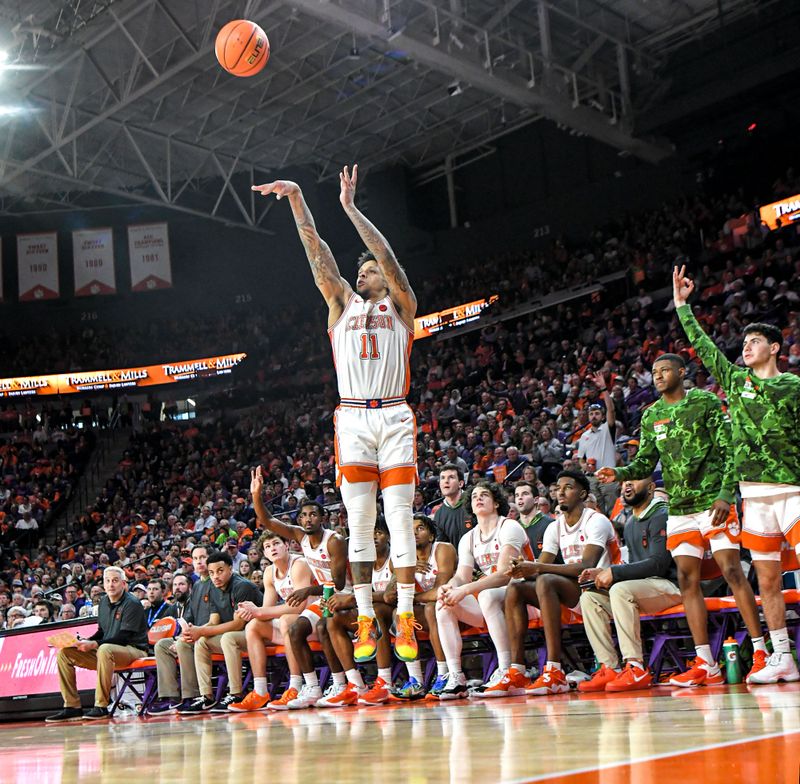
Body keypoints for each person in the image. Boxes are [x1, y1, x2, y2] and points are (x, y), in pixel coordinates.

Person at [253, 163, 420, 666]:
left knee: (402, 522)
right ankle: (369, 615)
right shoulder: (339, 305)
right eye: (361, 269)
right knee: (362, 523)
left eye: (367, 270)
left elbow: (389, 257)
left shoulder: (402, 306)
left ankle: (406, 612)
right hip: (352, 419)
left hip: (393, 417)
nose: (361, 272)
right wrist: (300, 199)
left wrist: (350, 207)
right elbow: (318, 255)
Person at [597, 351, 767, 687]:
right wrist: (618, 472)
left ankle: (761, 651)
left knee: (732, 571)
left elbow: (727, 449)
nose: (658, 375)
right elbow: (644, 463)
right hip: (680, 509)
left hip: (712, 502)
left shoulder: (703, 401)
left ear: (681, 371)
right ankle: (706, 662)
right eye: (654, 371)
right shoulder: (652, 416)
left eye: (664, 370)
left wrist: (724, 494)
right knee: (687, 581)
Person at [673, 264, 799, 685]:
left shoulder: (793, 388)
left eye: (756, 341)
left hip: (793, 490)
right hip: (754, 497)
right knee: (766, 579)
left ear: (776, 348)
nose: (746, 347)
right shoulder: (735, 379)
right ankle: (782, 656)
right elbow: (704, 348)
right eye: (744, 341)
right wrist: (682, 307)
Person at [503, 470, 621, 696]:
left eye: (568, 487)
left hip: (602, 590)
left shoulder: (596, 521)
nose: (561, 492)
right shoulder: (555, 526)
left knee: (546, 580)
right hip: (576, 591)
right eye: (558, 487)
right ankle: (517, 671)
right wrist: (520, 568)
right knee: (516, 587)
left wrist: (536, 567)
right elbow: (542, 565)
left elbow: (586, 565)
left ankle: (554, 670)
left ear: (583, 493)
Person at [250, 468, 350, 709]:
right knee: (295, 630)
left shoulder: (333, 540)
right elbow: (267, 521)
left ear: (322, 518)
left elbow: (338, 585)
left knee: (324, 625)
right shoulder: (299, 536)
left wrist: (308, 592)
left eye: (313, 515)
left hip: (346, 595)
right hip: (324, 597)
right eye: (304, 515)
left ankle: (341, 685)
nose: (308, 519)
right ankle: (312, 686)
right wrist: (256, 495)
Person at [577, 477, 682, 692]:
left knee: (620, 589)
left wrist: (615, 572)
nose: (627, 485)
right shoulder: (632, 521)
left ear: (651, 488)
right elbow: (636, 565)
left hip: (670, 586)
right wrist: (601, 572)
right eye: (625, 481)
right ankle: (610, 667)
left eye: (634, 481)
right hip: (643, 588)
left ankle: (635, 666)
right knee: (589, 598)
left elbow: (658, 564)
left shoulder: (662, 515)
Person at [434, 482, 534, 700]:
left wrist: (465, 589)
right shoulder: (468, 538)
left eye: (485, 495)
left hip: (528, 597)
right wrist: (451, 586)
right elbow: (462, 576)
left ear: (496, 502)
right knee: (443, 604)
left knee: (487, 595)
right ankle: (456, 676)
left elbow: (504, 574)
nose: (478, 498)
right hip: (495, 604)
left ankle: (507, 669)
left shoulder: (509, 527)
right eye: (474, 496)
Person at [46, 566, 148, 722]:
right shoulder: (103, 602)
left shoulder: (132, 603)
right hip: (107, 653)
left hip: (134, 650)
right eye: (107, 581)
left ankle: (101, 705)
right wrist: (85, 641)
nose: (111, 585)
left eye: (115, 581)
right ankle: (72, 706)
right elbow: (102, 632)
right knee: (64, 654)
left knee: (104, 649)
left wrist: (94, 644)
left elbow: (124, 637)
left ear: (123, 583)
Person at [227, 531, 314, 712]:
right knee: (253, 626)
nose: (272, 548)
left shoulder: (299, 564)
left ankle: (295, 687)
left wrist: (259, 611)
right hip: (292, 629)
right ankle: (260, 691)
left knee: (286, 620)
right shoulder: (269, 572)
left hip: (314, 622)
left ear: (286, 545)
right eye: (267, 547)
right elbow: (265, 611)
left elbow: (299, 607)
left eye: (276, 543)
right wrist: (250, 611)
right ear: (264, 554)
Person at [321, 520, 397, 706]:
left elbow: (390, 596)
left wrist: (354, 598)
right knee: (333, 620)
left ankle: (385, 682)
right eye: (370, 533)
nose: (374, 537)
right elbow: (356, 595)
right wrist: (335, 601)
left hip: (399, 615)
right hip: (371, 613)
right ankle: (355, 684)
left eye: (378, 532)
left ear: (388, 536)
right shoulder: (362, 562)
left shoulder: (395, 557)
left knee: (375, 611)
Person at [176, 550, 263, 713]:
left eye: (220, 571)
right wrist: (196, 632)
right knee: (202, 642)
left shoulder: (242, 586)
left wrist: (201, 630)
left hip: (259, 634)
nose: (215, 576)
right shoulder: (214, 588)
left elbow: (238, 625)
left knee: (228, 638)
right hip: (240, 637)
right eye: (211, 572)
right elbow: (214, 619)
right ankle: (206, 697)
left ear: (231, 568)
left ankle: (236, 693)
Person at [148, 547, 212, 716]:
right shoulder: (173, 607)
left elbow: (194, 621)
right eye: (175, 585)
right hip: (189, 636)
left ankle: (191, 696)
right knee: (162, 645)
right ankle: (170, 697)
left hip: (201, 635)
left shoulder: (196, 594)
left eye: (182, 584)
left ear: (189, 587)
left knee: (182, 644)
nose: (178, 588)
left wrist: (181, 638)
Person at [409, 514, 457, 700]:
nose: (414, 533)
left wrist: (412, 597)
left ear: (431, 535)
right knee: (401, 613)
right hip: (428, 613)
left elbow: (440, 591)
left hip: (454, 606)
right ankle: (415, 680)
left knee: (431, 608)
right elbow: (393, 595)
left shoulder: (443, 549)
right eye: (410, 530)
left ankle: (444, 673)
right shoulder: (406, 558)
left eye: (419, 528)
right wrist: (407, 571)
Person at [576, 373, 618, 515]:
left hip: (608, 476)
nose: (594, 416)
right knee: (596, 512)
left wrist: (604, 389)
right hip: (592, 478)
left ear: (602, 415)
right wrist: (584, 466)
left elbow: (611, 409)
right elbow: (581, 459)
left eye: (597, 413)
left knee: (613, 511)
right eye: (591, 413)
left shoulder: (607, 429)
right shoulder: (584, 436)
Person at [513, 481, 559, 561]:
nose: (520, 497)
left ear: (536, 500)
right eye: (517, 495)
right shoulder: (513, 528)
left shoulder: (550, 524)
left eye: (525, 494)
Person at [432, 464, 474, 548]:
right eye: (442, 478)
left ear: (461, 484)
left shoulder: (474, 503)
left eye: (451, 477)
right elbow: (443, 547)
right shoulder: (439, 514)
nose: (446, 481)